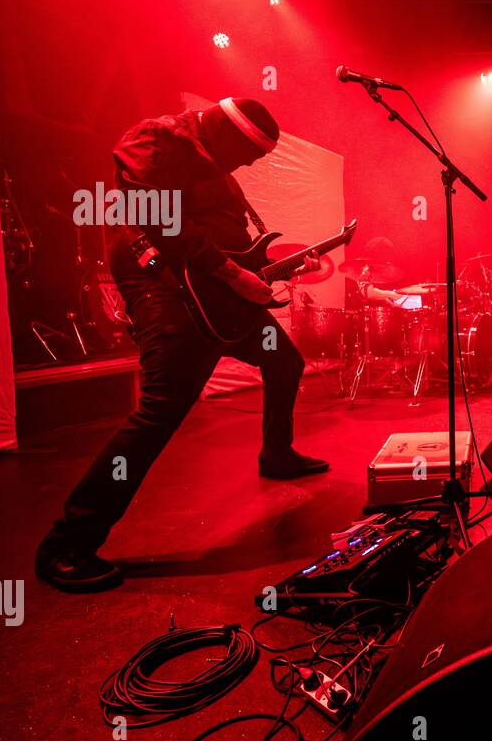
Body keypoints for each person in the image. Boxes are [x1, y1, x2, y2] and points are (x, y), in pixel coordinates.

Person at [35, 98, 328, 592]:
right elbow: (159, 221)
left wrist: (257, 269)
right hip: (162, 288)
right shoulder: (155, 140)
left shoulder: (216, 167)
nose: (250, 165)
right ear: (229, 135)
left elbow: (221, 238)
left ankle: (276, 454)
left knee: (284, 361)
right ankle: (68, 542)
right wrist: (234, 275)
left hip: (218, 290)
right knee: (161, 410)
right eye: (249, 154)